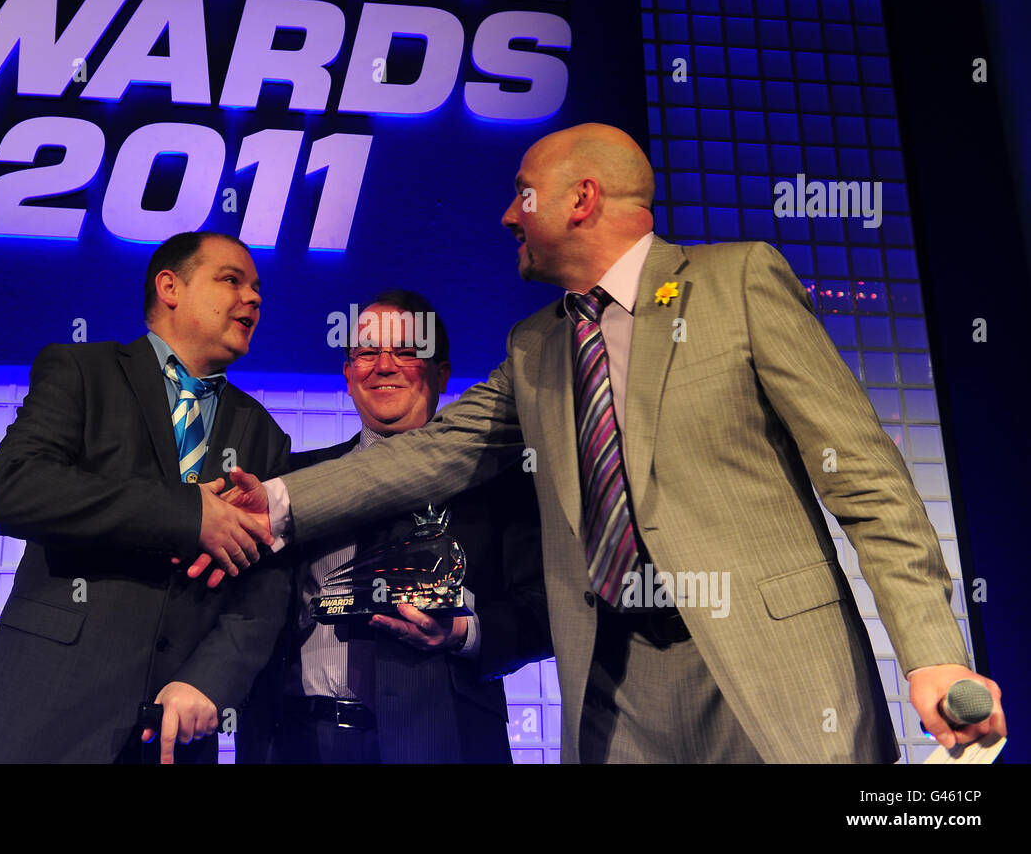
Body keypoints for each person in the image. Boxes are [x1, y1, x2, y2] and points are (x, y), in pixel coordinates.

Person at [207, 123, 1007, 763]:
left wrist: (932, 653)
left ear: (581, 198)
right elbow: (437, 451)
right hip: (615, 683)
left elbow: (869, 481)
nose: (506, 216)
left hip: (770, 662)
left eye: (523, 194)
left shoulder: (737, 283)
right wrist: (276, 500)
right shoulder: (533, 346)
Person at [0, 231, 289, 764]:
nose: (254, 298)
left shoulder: (264, 433)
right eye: (231, 280)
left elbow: (266, 588)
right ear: (170, 287)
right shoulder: (83, 372)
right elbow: (16, 487)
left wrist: (208, 682)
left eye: (258, 288)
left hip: (174, 734)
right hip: (45, 715)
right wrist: (187, 513)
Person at [235, 290, 552, 764]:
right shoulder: (291, 482)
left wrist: (465, 633)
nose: (384, 366)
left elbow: (549, 609)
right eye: (366, 353)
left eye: (406, 351)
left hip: (444, 742)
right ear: (347, 375)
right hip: (292, 741)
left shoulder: (501, 480)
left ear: (442, 373)